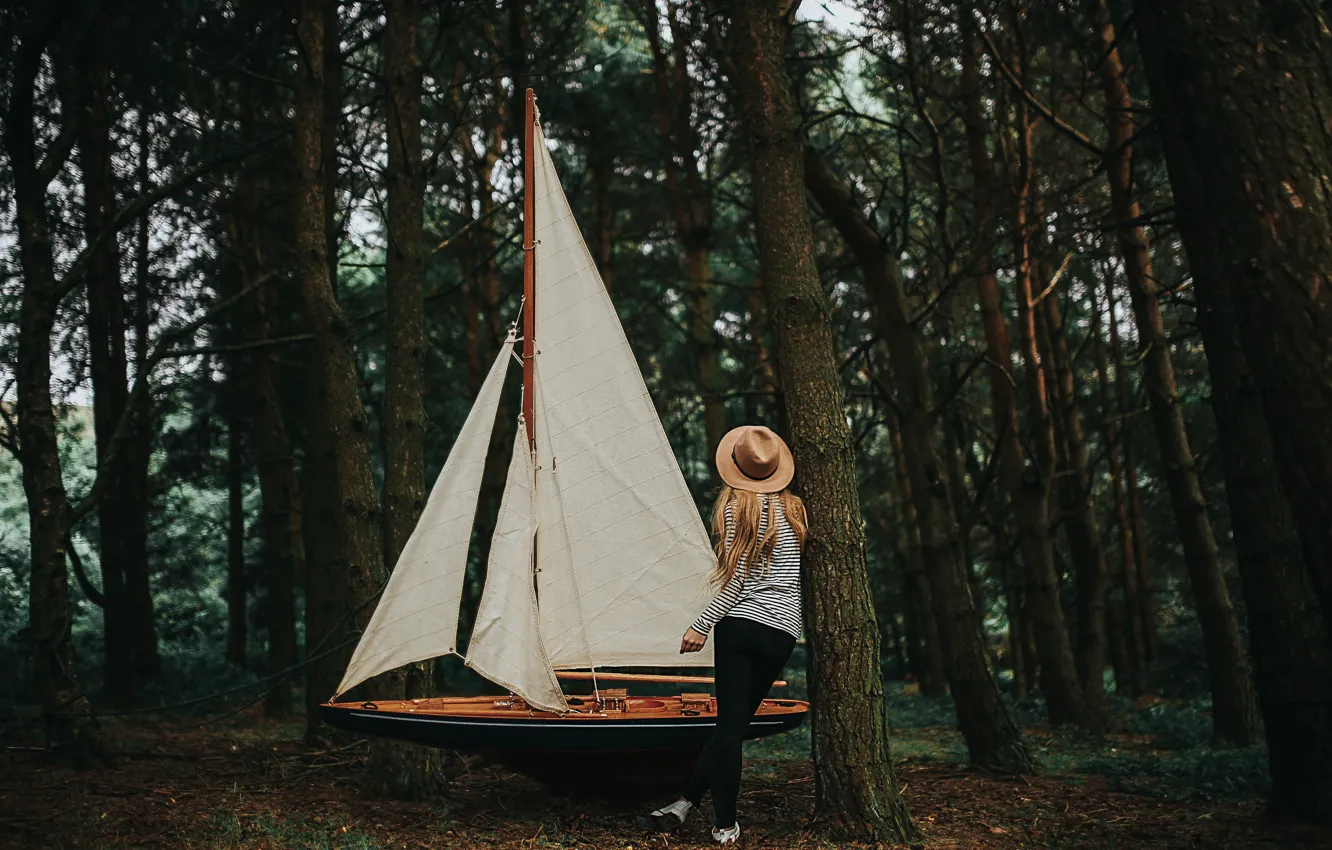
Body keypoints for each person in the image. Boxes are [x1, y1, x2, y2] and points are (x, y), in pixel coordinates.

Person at [646, 425, 807, 845]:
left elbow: (737, 582)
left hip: (740, 627)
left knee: (729, 729)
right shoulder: (797, 510)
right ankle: (687, 803)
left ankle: (725, 823)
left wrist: (701, 624)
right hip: (783, 633)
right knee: (730, 729)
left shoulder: (737, 509)